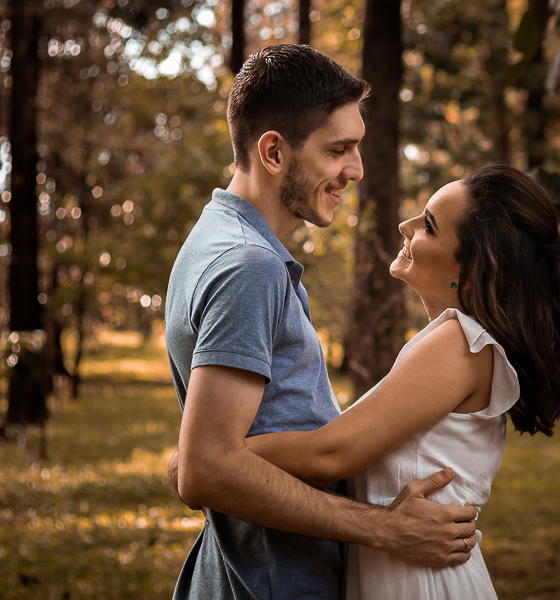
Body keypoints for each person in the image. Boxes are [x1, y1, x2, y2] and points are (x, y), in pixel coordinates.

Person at [164, 44, 477, 600]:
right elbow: (207, 469)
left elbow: (213, 448)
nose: (354, 170)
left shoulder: (217, 239)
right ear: (274, 153)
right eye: (338, 150)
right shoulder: (248, 266)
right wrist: (386, 531)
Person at [243, 163, 560, 599]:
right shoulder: (457, 342)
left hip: (422, 583)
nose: (406, 225)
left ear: (475, 271)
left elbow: (329, 453)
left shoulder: (460, 343)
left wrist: (216, 458)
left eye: (429, 226)